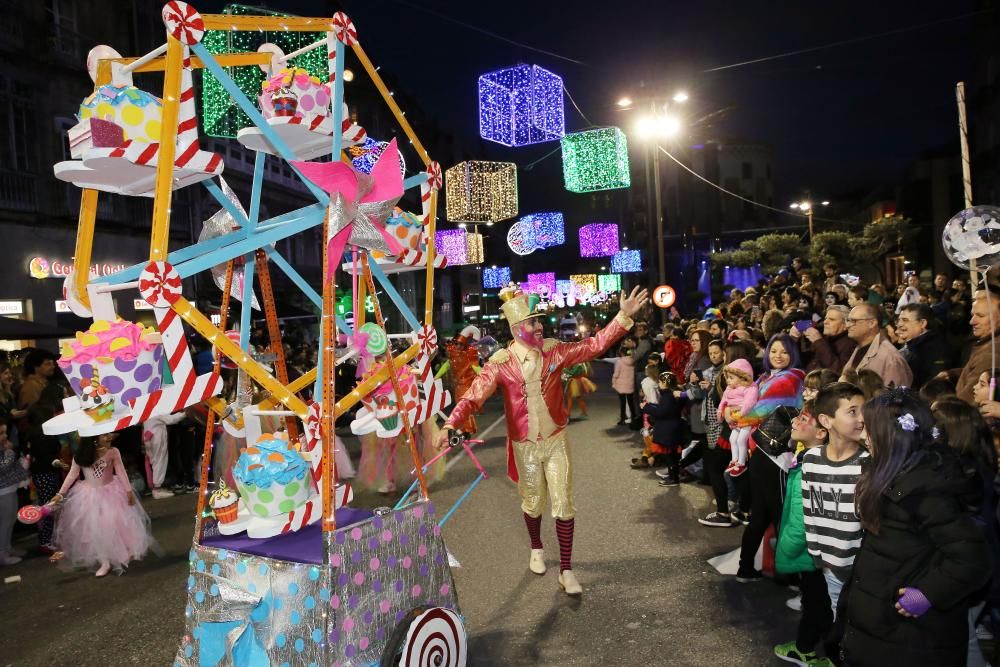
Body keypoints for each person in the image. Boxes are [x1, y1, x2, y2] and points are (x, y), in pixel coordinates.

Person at [436, 285, 648, 596]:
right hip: (525, 446)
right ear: (516, 328)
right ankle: (536, 546)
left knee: (563, 504)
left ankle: (566, 570)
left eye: (539, 321)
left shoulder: (556, 351)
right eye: (532, 322)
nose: (539, 326)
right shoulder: (500, 363)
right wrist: (451, 424)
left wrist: (623, 317)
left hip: (555, 440)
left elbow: (594, 345)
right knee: (533, 503)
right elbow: (473, 397)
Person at [843, 390, 992, 667]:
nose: (864, 438)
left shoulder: (928, 489)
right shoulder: (892, 473)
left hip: (913, 639)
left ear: (893, 436)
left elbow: (973, 559)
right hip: (884, 627)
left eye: (869, 430)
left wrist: (929, 592)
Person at [931, 397, 1000, 667]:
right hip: (980, 568)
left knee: (963, 638)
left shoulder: (963, 474)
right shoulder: (976, 464)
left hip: (971, 570)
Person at [804, 383, 868, 661]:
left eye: (864, 411)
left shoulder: (870, 463)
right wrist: (818, 556)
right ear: (826, 421)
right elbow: (810, 511)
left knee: (863, 630)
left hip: (863, 570)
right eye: (852, 411)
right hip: (830, 567)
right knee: (839, 625)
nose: (861, 418)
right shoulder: (811, 460)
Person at [736, 334, 806, 582]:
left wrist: (737, 418)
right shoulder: (768, 377)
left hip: (772, 453)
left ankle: (750, 569)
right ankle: (786, 575)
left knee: (766, 515)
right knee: (777, 515)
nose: (778, 356)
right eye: (773, 350)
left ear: (793, 355)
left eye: (784, 352)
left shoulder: (791, 378)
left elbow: (760, 411)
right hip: (771, 456)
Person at [774, 401, 835, 667]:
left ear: (822, 432)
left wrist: (785, 550)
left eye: (804, 419)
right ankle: (805, 647)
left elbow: (801, 518)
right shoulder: (811, 455)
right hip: (816, 551)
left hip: (811, 551)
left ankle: (829, 656)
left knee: (819, 605)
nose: (795, 422)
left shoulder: (812, 463)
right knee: (816, 602)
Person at [51, 433, 157, 576]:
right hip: (88, 496)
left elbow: (120, 471)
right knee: (94, 528)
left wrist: (128, 490)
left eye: (109, 434)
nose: (109, 437)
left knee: (113, 524)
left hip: (111, 492)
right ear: (94, 438)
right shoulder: (81, 455)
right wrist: (61, 493)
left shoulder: (113, 452)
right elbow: (72, 474)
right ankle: (104, 561)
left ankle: (119, 552)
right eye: (105, 435)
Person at [941, 287, 1000, 404]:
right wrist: (954, 374)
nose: (972, 321)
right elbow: (978, 369)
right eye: (973, 315)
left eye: (980, 316)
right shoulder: (987, 344)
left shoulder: (992, 353)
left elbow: (965, 404)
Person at [841, 303, 912, 388]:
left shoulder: (891, 358)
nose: (847, 325)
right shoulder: (860, 346)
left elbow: (896, 398)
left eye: (853, 321)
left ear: (872, 323)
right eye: (848, 320)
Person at [640, 372, 687, 484]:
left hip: (668, 429)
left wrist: (647, 407)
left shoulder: (668, 396)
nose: (659, 384)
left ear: (665, 383)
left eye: (660, 382)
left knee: (670, 455)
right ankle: (672, 476)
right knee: (672, 454)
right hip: (673, 427)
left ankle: (673, 478)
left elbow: (662, 412)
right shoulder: (674, 393)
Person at [895, 303, 951, 389]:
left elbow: (931, 386)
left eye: (905, 320)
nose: (899, 324)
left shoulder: (935, 349)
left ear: (922, 323)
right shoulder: (913, 346)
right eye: (899, 320)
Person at [717, 359, 758, 478]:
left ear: (741, 377)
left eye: (731, 378)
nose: (728, 380)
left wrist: (740, 413)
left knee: (741, 440)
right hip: (734, 420)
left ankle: (741, 463)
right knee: (732, 439)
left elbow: (749, 403)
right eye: (727, 377)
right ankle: (734, 460)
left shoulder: (751, 387)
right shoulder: (729, 389)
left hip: (746, 420)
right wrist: (720, 411)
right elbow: (723, 401)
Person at [0, 422, 28, 566]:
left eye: (5, 432)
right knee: (5, 522)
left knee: (10, 520)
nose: (5, 436)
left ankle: (8, 548)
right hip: (3, 491)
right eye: (1, 433)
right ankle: (2, 555)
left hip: (9, 488)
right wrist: (10, 452)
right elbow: (3, 467)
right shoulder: (6, 450)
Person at [142, 412, 186, 499]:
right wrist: (185, 414)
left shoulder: (147, 412)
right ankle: (157, 490)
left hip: (151, 438)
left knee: (156, 462)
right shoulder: (155, 412)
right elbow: (171, 419)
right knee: (159, 462)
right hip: (156, 439)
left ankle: (157, 488)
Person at [801, 305, 856, 374]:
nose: (825, 322)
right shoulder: (826, 338)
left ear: (845, 325)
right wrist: (794, 340)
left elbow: (838, 370)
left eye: (832, 319)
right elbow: (804, 360)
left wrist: (818, 342)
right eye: (825, 318)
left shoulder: (851, 343)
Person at [611, 345, 637, 426]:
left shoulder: (620, 361)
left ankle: (622, 419)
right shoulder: (633, 361)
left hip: (621, 384)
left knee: (622, 402)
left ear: (621, 353)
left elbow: (616, 373)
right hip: (630, 383)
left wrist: (613, 380)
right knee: (631, 402)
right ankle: (634, 418)